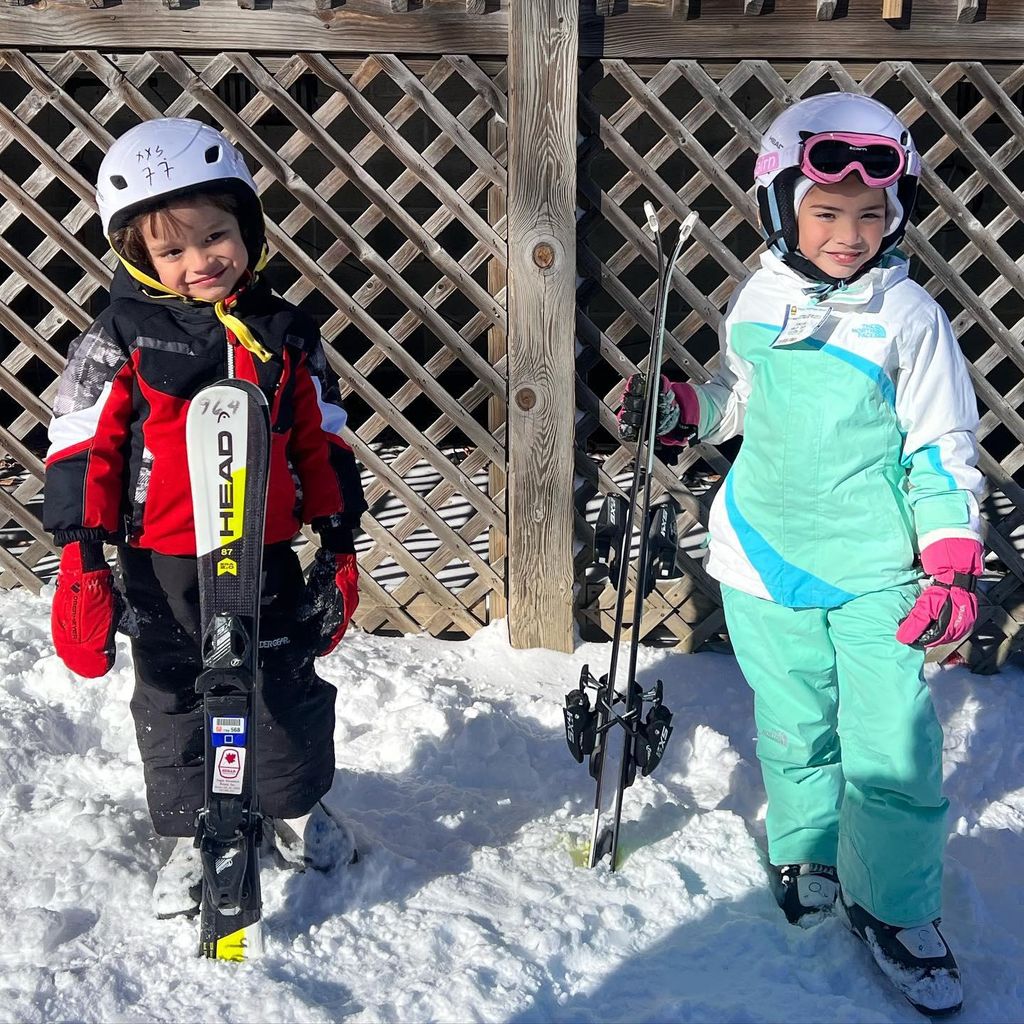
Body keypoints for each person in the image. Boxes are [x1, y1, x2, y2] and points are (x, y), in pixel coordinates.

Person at [619, 93, 983, 1016]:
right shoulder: (760, 295)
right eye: (825, 212)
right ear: (781, 204)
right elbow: (747, 404)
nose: (849, 235)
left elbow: (941, 445)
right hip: (763, 559)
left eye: (870, 215)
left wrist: (948, 559)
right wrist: (688, 412)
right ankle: (807, 845)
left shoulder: (909, 316)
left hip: (876, 568)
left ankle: (895, 908)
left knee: (893, 743)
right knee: (792, 724)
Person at [43, 118, 368, 919]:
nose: (201, 262)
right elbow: (84, 442)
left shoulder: (285, 332)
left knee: (285, 682)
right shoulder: (122, 335)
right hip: (163, 559)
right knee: (174, 694)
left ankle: (292, 805)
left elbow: (321, 438)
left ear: (248, 227)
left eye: (217, 235)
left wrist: (338, 540)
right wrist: (82, 555)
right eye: (173, 251)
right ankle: (193, 832)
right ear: (136, 258)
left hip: (263, 551)